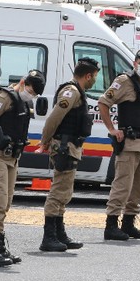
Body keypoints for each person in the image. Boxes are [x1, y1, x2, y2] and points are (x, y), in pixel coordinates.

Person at [0, 69, 45, 267]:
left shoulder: (25, 102)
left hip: (12, 158)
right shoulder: (3, 98)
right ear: (23, 82)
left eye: (34, 94)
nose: (30, 95)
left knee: (5, 204)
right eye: (30, 90)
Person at [37, 57, 101, 252]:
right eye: (95, 77)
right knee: (58, 191)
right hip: (64, 146)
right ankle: (49, 237)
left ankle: (59, 233)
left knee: (64, 192)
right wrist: (44, 141)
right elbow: (54, 118)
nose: (94, 81)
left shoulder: (78, 92)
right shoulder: (71, 92)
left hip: (71, 146)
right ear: (88, 75)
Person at [98, 49, 140, 241]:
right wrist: (112, 129)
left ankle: (129, 223)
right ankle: (111, 225)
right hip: (129, 142)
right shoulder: (124, 81)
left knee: (139, 187)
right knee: (123, 184)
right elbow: (103, 102)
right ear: (134, 63)